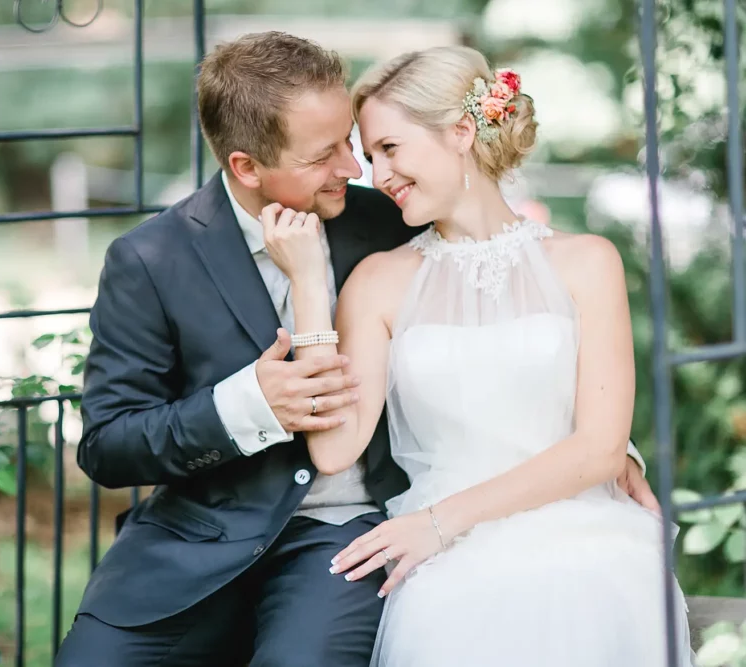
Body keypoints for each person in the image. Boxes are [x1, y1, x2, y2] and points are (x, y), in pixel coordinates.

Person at [53, 32, 657, 667]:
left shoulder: (389, 216)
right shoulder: (152, 258)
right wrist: (249, 403)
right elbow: (108, 442)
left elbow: (516, 339)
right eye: (332, 153)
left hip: (350, 534)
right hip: (203, 536)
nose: (358, 169)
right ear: (248, 167)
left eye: (362, 145)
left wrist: (605, 452)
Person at [263, 45, 694, 666]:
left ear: (462, 132)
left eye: (390, 148)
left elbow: (600, 448)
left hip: (581, 532)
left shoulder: (587, 261)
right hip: (444, 557)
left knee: (587, 596)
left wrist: (441, 522)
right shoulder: (378, 281)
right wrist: (308, 283)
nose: (376, 175)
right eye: (372, 155)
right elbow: (333, 451)